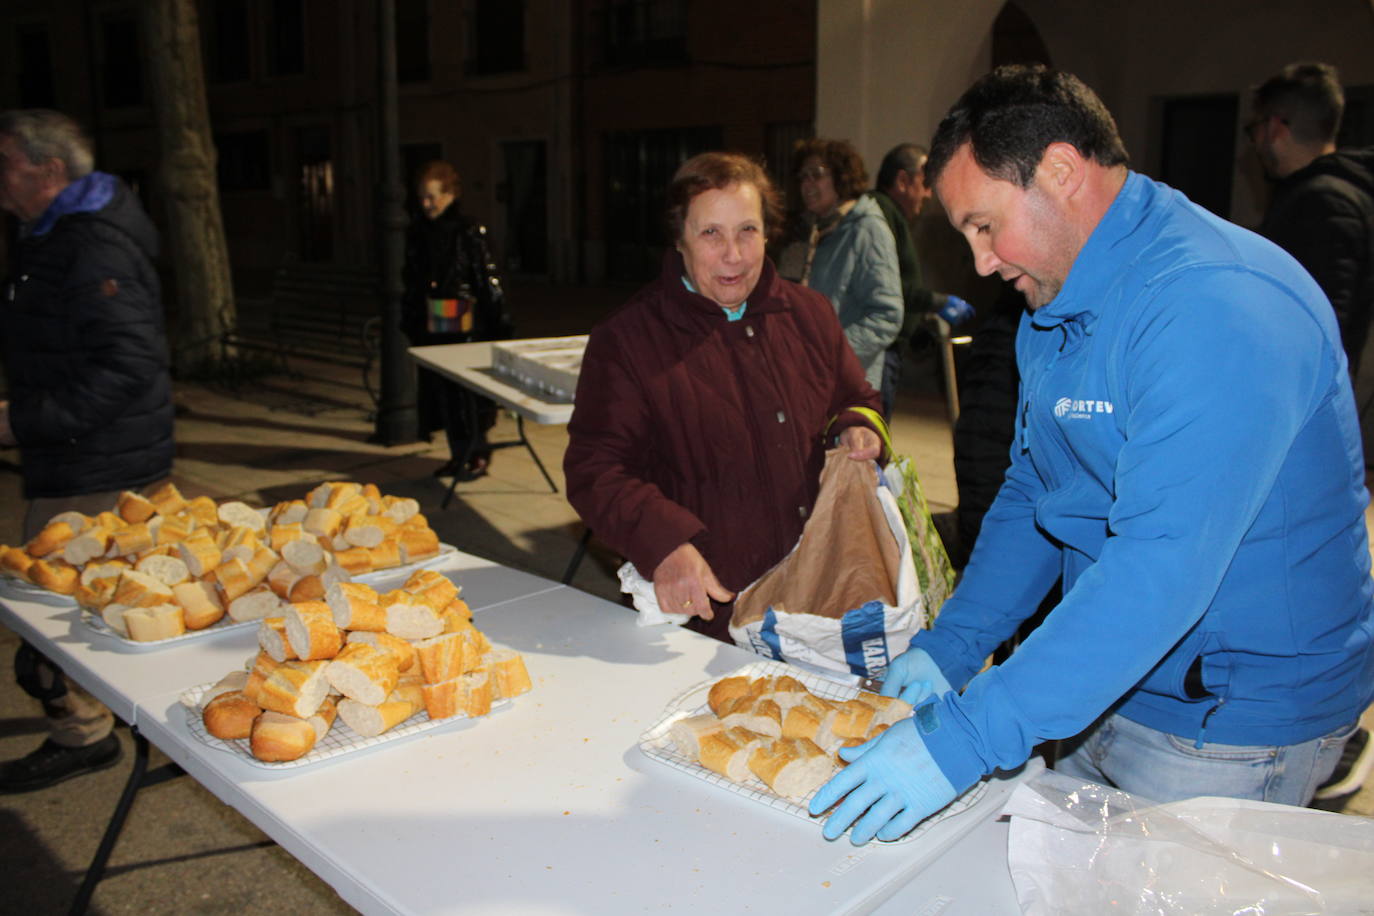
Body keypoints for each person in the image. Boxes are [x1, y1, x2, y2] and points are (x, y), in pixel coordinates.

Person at [811, 65, 1374, 845]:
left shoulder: (1213, 306)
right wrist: (956, 645)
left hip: (1229, 721)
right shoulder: (1057, 303)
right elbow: (1035, 492)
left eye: (984, 225)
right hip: (1104, 679)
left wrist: (968, 736)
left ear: (1061, 172)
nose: (979, 264)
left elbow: (1159, 572)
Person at [563, 151, 882, 644]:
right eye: (711, 233)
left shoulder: (809, 315)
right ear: (679, 239)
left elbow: (855, 395)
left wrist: (856, 424)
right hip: (712, 614)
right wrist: (665, 545)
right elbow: (595, 469)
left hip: (822, 597)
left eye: (747, 231)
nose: (733, 253)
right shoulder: (627, 340)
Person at [0, 109, 174, 792]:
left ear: (47, 171)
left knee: (49, 614)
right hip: (87, 456)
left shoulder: (88, 243)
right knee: (111, 603)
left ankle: (86, 732)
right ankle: (122, 720)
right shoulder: (48, 234)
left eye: (5, 159)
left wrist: (22, 423)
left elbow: (128, 362)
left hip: (97, 464)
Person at [1249, 62, 1374, 379]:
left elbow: (1325, 330)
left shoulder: (1322, 202)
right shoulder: (1328, 194)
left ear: (1275, 127)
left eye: (1254, 129)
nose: (1255, 143)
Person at [402, 160, 513, 480]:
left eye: (433, 196)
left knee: (467, 394)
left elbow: (488, 278)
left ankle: (476, 452)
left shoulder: (467, 230)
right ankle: (458, 453)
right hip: (434, 318)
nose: (427, 203)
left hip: (463, 319)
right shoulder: (419, 231)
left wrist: (500, 321)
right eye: (422, 196)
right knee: (443, 392)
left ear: (450, 194)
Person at [777, 138, 903, 394]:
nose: (807, 185)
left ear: (842, 177)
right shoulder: (811, 231)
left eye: (816, 175)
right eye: (802, 177)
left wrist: (831, 353)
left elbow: (887, 315)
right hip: (804, 377)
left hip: (846, 381)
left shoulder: (867, 229)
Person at [869, 143, 975, 418]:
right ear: (903, 181)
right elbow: (887, 287)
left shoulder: (893, 217)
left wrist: (915, 329)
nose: (928, 195)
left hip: (889, 348)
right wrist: (937, 301)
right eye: (925, 184)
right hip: (878, 352)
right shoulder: (878, 216)